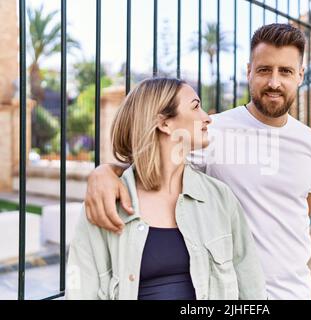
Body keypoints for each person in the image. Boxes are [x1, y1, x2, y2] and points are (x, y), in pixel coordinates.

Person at [83, 23, 311, 299]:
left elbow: (301, 213)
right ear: (249, 71)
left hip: (297, 292)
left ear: (300, 75)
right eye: (264, 70)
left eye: (285, 71)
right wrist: (105, 172)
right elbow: (153, 162)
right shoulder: (211, 132)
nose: (274, 82)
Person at [66, 78, 267, 300]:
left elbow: (252, 290)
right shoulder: (105, 204)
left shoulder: (220, 198)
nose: (207, 118)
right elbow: (81, 292)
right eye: (195, 106)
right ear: (165, 123)